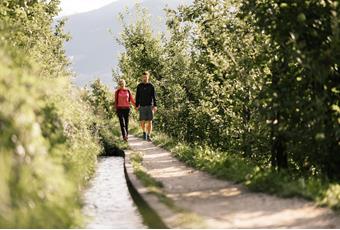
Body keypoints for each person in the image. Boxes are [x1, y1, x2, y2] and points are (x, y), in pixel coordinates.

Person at [136, 71, 157, 141]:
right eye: (143, 77)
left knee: (150, 121)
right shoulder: (139, 86)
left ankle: (148, 135)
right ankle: (144, 132)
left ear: (148, 77)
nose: (144, 78)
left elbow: (154, 96)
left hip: (149, 106)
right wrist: (137, 105)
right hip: (142, 106)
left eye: (146, 77)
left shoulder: (151, 86)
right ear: (142, 77)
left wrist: (155, 105)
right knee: (142, 121)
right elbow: (137, 96)